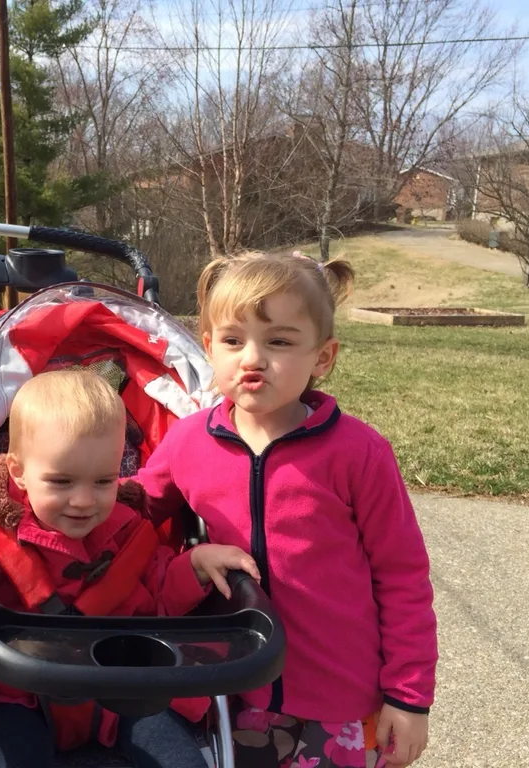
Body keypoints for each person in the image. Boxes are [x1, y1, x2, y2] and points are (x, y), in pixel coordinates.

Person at [0, 368, 259, 768]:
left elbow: (158, 588)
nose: (85, 501)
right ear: (18, 471)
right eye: (62, 482)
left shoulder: (127, 532)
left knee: (181, 759)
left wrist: (195, 565)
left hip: (118, 689)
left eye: (103, 481)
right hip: (19, 696)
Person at [135, 251, 437, 768]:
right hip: (233, 692)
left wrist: (408, 697)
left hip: (339, 701)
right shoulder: (190, 442)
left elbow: (403, 576)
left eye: (278, 341)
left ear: (322, 357)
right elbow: (128, 507)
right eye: (233, 340)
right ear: (208, 348)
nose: (252, 358)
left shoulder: (358, 453)